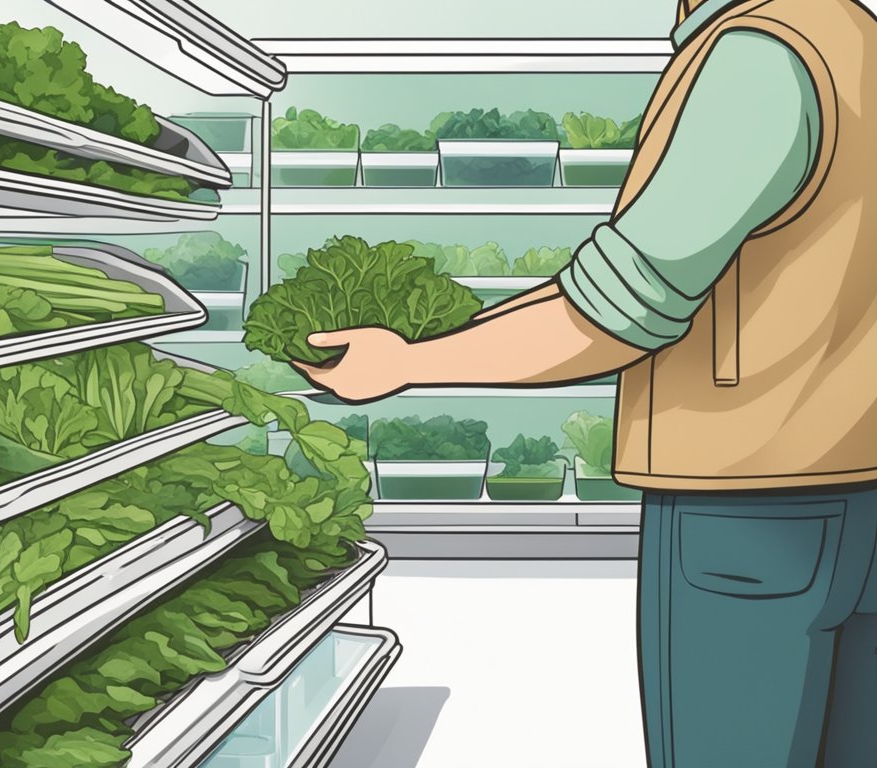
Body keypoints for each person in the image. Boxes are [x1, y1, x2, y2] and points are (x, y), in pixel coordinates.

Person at [290, 0, 877, 765]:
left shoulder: (761, 58)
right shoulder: (852, 34)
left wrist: (409, 363)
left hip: (751, 506)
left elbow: (622, 308)